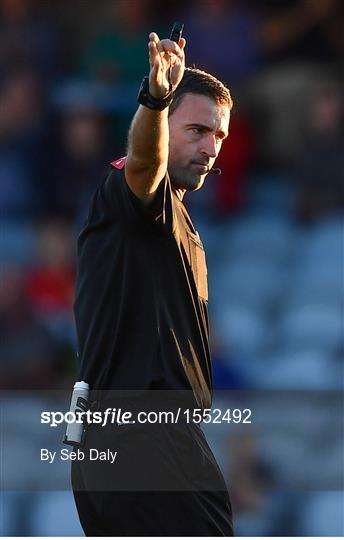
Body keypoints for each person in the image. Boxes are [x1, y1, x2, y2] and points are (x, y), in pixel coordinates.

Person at [72, 29, 233, 536]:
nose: (211, 147)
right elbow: (144, 163)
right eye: (198, 130)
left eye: (220, 136)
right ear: (164, 126)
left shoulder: (177, 221)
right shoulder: (137, 194)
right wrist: (157, 98)